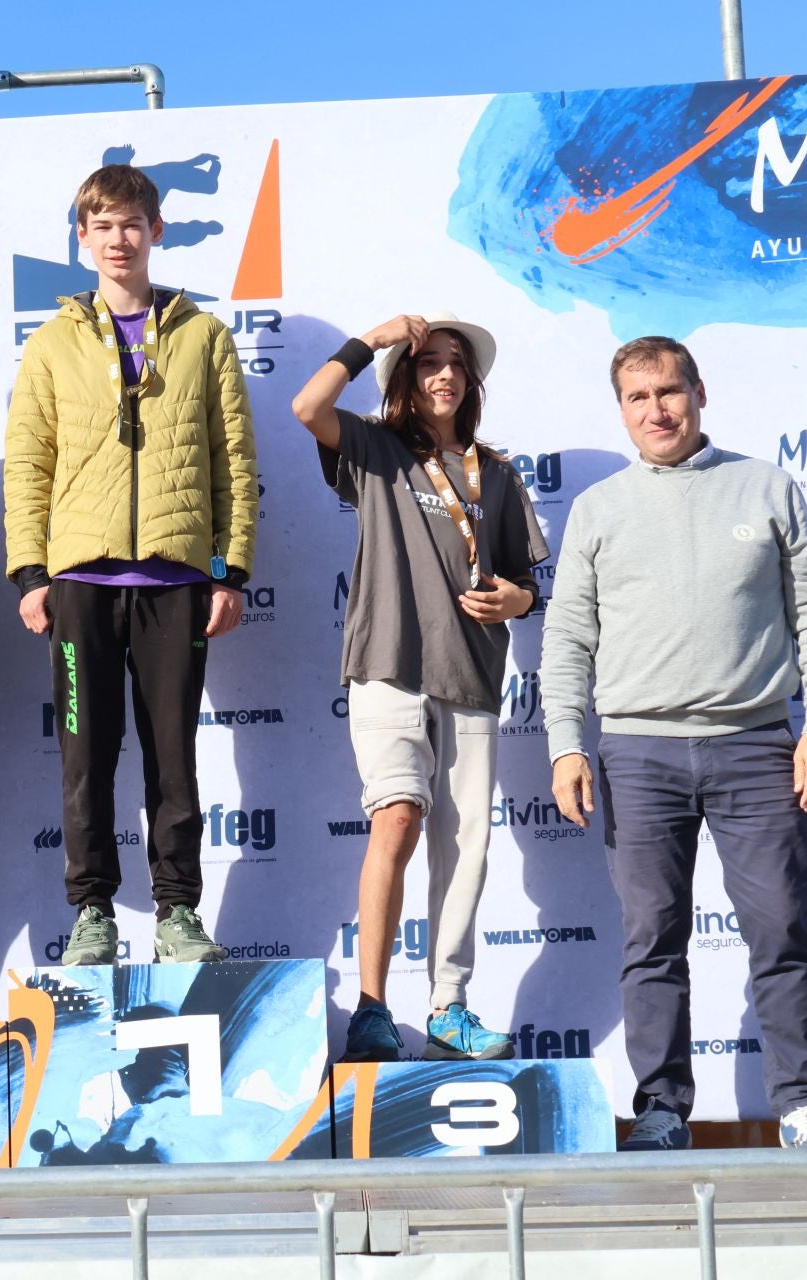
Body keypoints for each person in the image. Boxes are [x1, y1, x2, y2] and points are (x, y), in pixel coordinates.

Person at [540, 336, 807, 1159]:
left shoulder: (766, 486)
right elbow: (569, 636)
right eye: (639, 398)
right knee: (651, 937)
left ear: (700, 393)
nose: (658, 410)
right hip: (637, 753)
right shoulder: (600, 509)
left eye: (670, 392)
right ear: (622, 410)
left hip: (756, 745)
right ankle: (660, 1109)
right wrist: (566, 745)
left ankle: (804, 1107)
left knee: (781, 928)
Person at [4, 162, 259, 966]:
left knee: (173, 757)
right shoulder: (52, 343)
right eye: (102, 225)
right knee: (85, 758)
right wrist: (31, 575)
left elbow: (235, 462)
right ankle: (93, 915)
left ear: (157, 231)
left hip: (177, 583)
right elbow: (27, 464)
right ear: (82, 239)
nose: (119, 238)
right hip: (80, 584)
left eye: (132, 223)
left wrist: (232, 570)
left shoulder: (203, 336)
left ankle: (178, 912)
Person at [291, 312, 547, 1063]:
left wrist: (518, 601)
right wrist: (367, 343)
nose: (443, 374)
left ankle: (448, 1008)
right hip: (388, 662)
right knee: (396, 818)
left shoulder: (494, 472)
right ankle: (372, 1008)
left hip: (471, 672)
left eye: (455, 364)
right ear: (405, 376)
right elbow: (307, 408)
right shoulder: (375, 448)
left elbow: (528, 582)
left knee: (465, 847)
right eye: (427, 361)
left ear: (471, 382)